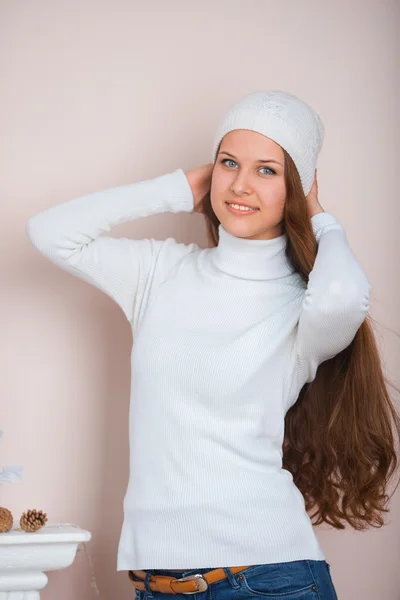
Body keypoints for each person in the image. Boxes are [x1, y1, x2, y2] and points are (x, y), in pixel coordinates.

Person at [26, 90, 400, 600]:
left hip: (266, 579)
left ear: (295, 185)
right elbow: (49, 232)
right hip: (157, 587)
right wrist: (178, 188)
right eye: (229, 163)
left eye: (267, 170)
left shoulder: (301, 306)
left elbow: (343, 297)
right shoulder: (160, 272)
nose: (241, 185)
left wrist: (320, 215)